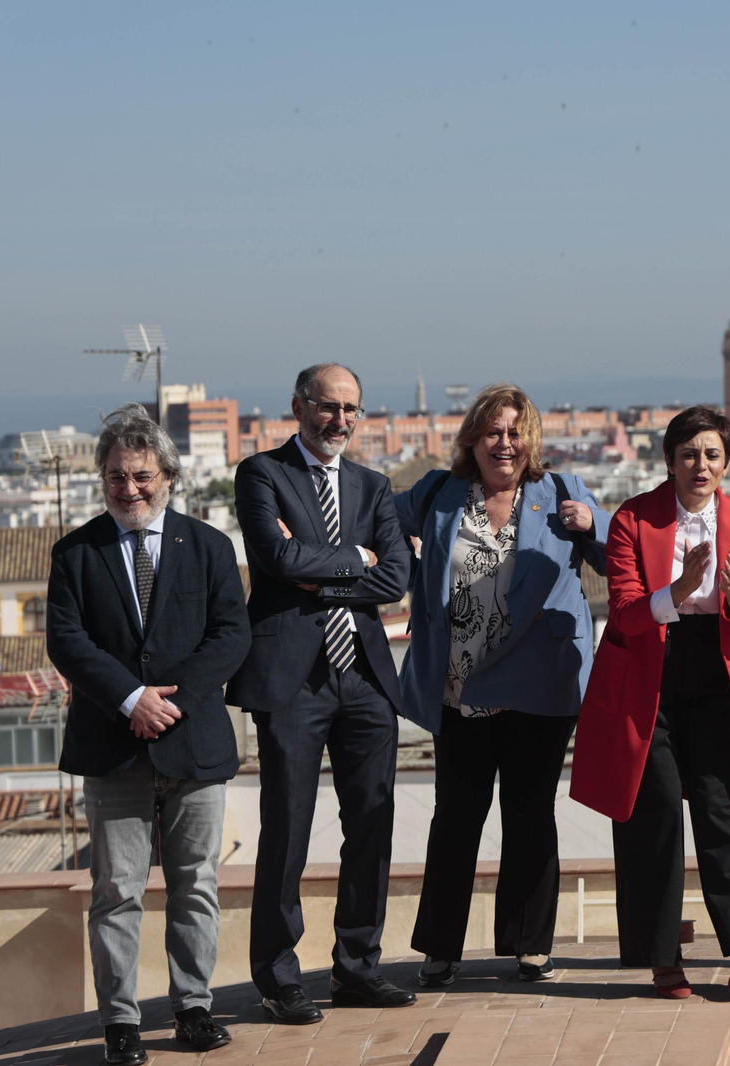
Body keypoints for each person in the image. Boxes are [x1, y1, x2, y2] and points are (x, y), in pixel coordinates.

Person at [47, 403, 251, 1066]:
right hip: (113, 747)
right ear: (102, 479)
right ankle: (121, 1022)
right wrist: (131, 699)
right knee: (116, 892)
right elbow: (66, 641)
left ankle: (193, 1008)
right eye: (116, 477)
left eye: (141, 476)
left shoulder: (211, 547)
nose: (128, 489)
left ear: (168, 476)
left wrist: (169, 704)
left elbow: (231, 635)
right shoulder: (75, 553)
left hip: (194, 744)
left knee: (196, 885)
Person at [394, 383, 609, 987]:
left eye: (516, 432)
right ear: (472, 439)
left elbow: (618, 554)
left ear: (531, 440)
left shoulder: (560, 491)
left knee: (530, 815)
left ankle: (529, 945)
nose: (505, 444)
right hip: (459, 688)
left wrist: (593, 522)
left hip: (539, 684)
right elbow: (378, 517)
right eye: (492, 431)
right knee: (455, 818)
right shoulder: (438, 493)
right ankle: (441, 949)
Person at [571, 405, 730, 998]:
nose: (700, 466)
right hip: (647, 673)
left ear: (727, 463)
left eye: (712, 455)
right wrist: (678, 590)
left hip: (711, 669)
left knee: (720, 803)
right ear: (669, 460)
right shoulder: (634, 519)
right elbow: (626, 613)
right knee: (653, 806)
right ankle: (660, 953)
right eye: (689, 454)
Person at [229, 362, 414, 1023]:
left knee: (371, 825)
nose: (340, 420)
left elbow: (395, 578)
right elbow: (276, 560)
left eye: (351, 409)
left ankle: (358, 969)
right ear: (299, 407)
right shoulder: (261, 474)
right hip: (291, 679)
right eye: (328, 406)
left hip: (364, 675)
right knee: (287, 829)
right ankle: (279, 977)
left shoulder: (373, 485)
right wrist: (355, 559)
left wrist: (322, 571)